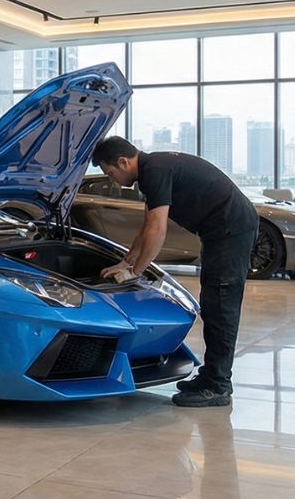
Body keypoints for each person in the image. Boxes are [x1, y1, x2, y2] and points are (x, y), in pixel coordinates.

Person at [92, 137, 258, 408]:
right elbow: (147, 226)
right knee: (214, 303)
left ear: (123, 162)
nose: (112, 180)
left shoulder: (155, 170)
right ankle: (210, 377)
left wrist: (136, 272)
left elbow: (158, 230)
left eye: (110, 173)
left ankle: (217, 386)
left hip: (231, 230)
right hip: (224, 230)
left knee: (220, 306)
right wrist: (126, 262)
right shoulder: (152, 169)